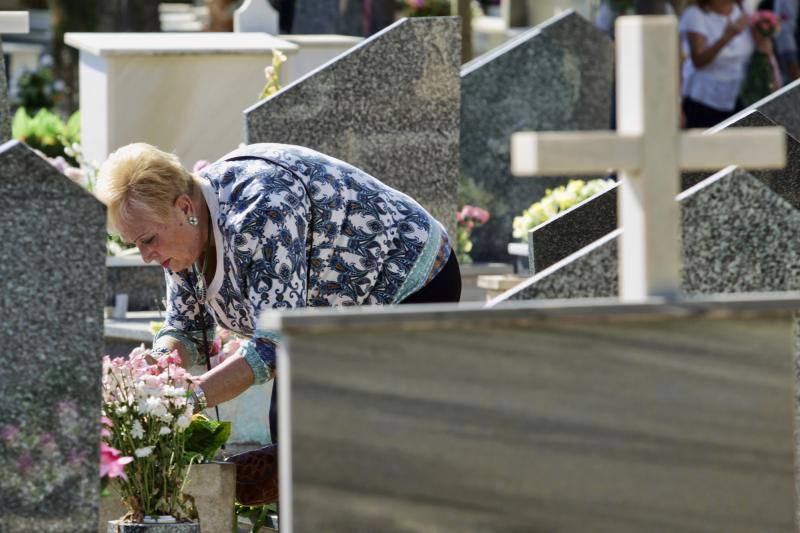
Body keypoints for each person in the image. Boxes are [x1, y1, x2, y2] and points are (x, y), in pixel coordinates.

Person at [95, 142, 461, 444]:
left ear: (184, 208)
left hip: (411, 281)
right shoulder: (184, 235)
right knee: (293, 432)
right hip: (332, 315)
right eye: (135, 244)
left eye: (148, 240)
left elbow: (274, 345)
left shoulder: (260, 211)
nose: (145, 256)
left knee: (357, 435)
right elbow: (187, 331)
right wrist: (149, 375)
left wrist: (186, 401)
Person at [679, 0, 760, 128]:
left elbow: (757, 46)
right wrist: (726, 37)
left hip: (739, 96)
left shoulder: (744, 8)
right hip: (703, 100)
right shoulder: (694, 15)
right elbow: (698, 61)